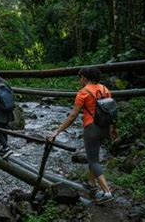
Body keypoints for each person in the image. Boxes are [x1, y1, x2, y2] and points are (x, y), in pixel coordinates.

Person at [47, 67, 119, 204]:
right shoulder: (105, 89)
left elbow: (73, 116)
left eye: (80, 77)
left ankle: (107, 192)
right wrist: (114, 129)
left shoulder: (83, 93)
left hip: (91, 128)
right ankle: (92, 184)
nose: (79, 80)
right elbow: (112, 111)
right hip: (104, 127)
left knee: (93, 160)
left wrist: (57, 131)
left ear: (85, 78)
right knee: (94, 156)